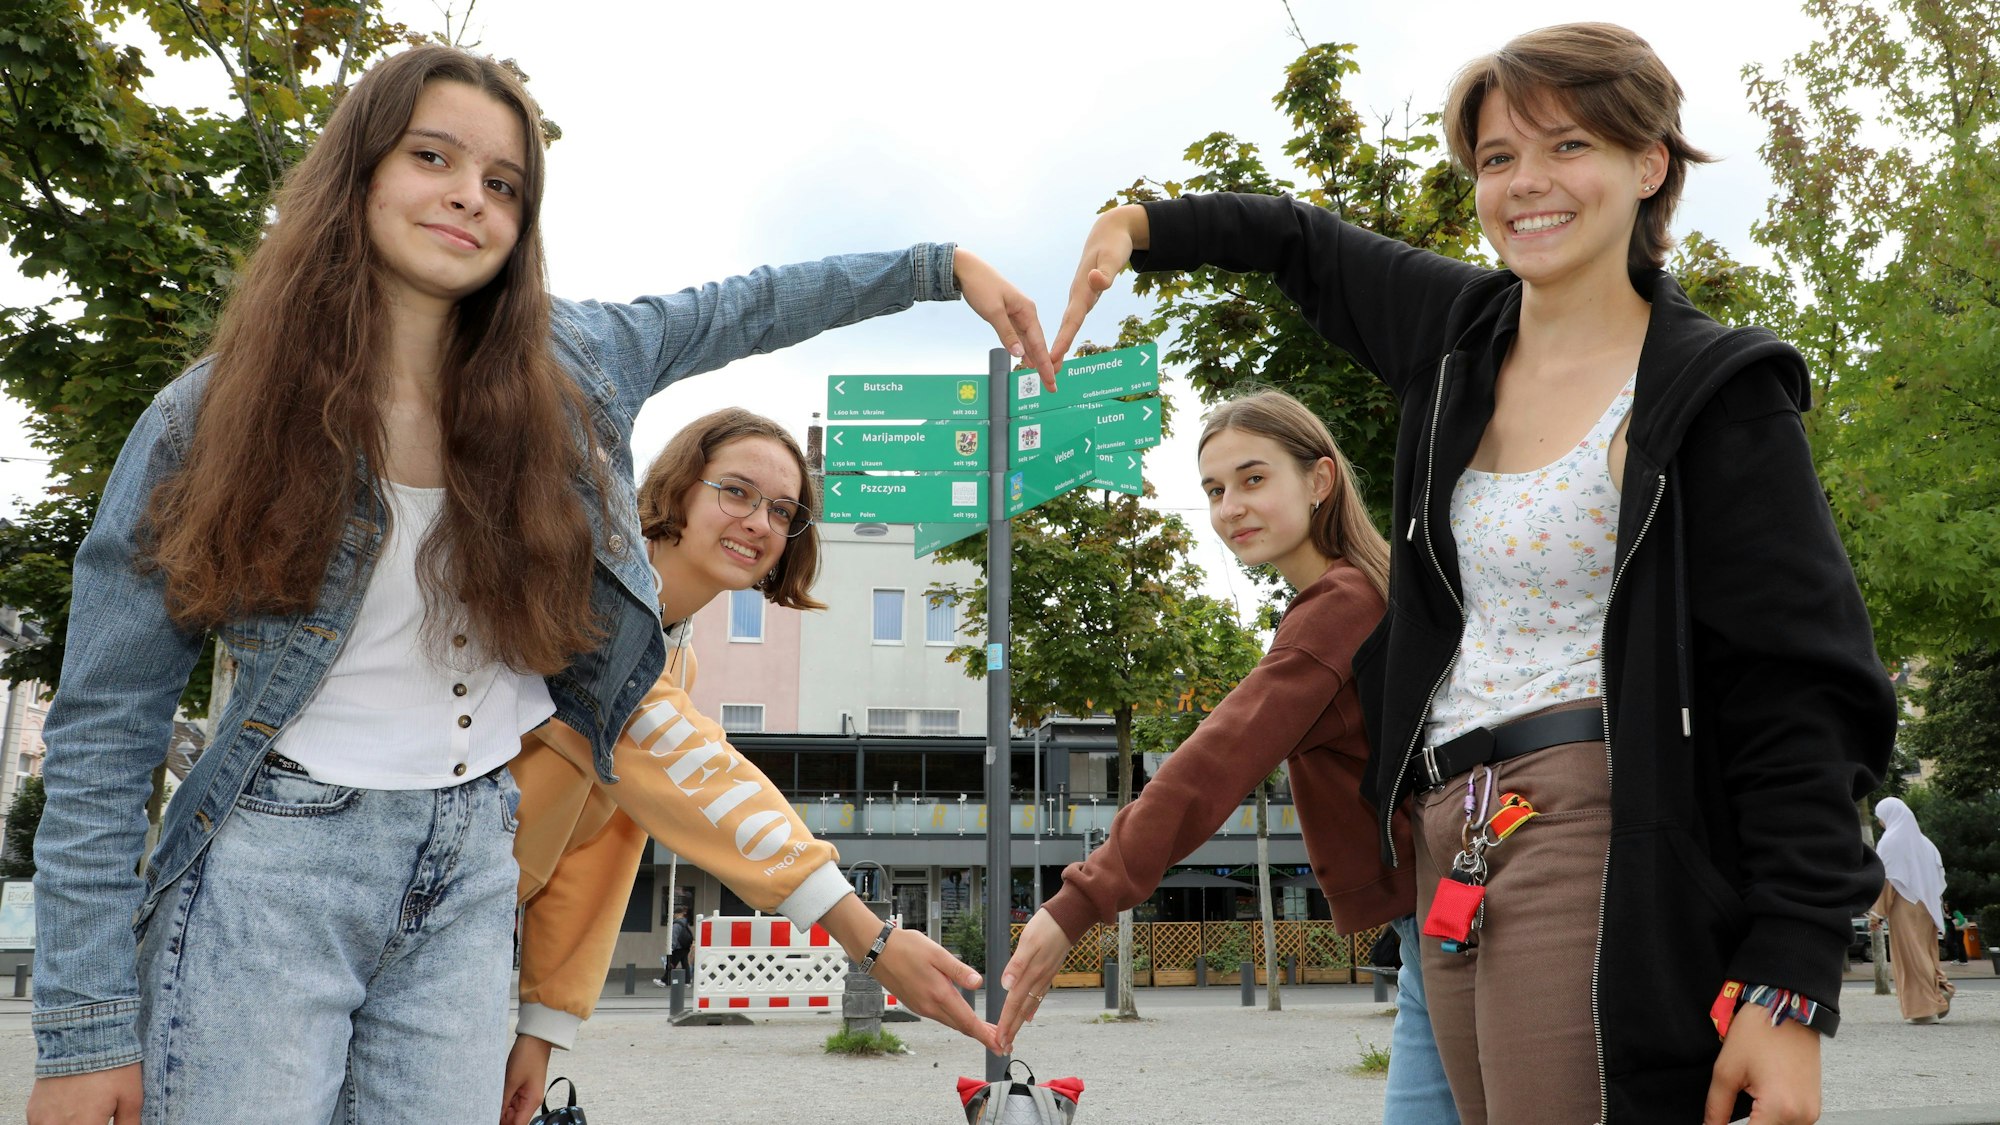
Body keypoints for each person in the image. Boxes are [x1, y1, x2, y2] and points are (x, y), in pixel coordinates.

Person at [26, 43, 1050, 1124]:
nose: (469, 194)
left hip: (472, 865)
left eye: (504, 183)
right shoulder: (209, 414)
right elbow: (104, 726)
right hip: (275, 867)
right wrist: (83, 1031)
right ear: (359, 172)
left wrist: (938, 268)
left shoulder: (577, 364)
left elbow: (750, 302)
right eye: (433, 156)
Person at [1044, 23, 1893, 1125]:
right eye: (1496, 158)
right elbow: (1298, 242)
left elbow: (1800, 692)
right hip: (1453, 833)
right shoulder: (1460, 335)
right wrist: (1137, 227)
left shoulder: (1714, 393)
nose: (1525, 184)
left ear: (1648, 166)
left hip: (1600, 825)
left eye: (1567, 146)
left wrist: (1789, 980)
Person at [501, 409, 1001, 1122]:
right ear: (676, 490)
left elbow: (604, 839)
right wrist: (872, 939)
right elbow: (698, 769)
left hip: (468, 926)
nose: (760, 521)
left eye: (783, 509)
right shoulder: (585, 589)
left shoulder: (680, 653)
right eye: (735, 491)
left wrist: (542, 1028)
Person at [998, 390, 1456, 1123]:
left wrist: (1077, 902)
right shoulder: (1368, 587)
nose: (1229, 507)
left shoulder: (1338, 609)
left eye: (1253, 478)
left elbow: (1213, 764)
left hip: (1443, 916)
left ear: (1319, 480)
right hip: (1440, 911)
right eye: (1214, 490)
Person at [1867, 797, 1954, 1023]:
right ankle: (1942, 988)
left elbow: (1888, 880)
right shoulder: (1925, 843)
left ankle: (1925, 1008)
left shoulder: (1890, 841)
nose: (1880, 823)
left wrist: (1877, 913)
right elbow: (1937, 877)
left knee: (1910, 957)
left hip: (1905, 905)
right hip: (1927, 905)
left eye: (1880, 818)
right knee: (1926, 952)